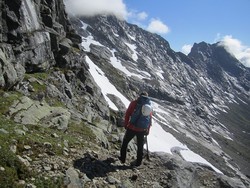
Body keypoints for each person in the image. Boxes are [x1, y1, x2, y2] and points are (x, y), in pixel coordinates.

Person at [119, 91, 152, 166]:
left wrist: (126, 124)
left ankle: (122, 158)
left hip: (132, 127)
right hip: (142, 129)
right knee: (140, 146)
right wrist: (147, 130)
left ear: (140, 96)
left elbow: (128, 114)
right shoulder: (149, 105)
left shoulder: (134, 103)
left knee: (125, 142)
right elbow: (149, 119)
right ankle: (138, 163)